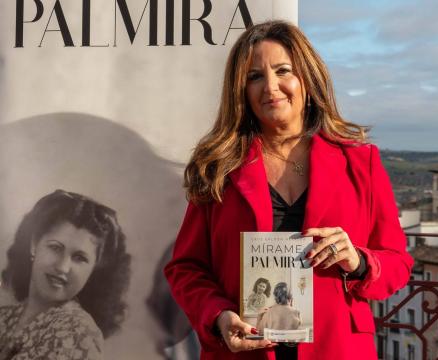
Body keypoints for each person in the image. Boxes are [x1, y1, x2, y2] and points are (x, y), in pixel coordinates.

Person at [164, 20, 413, 360]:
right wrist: (218, 316)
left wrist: (357, 260)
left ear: (307, 79)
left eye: (283, 71)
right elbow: (185, 268)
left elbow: (397, 263)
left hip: (337, 348)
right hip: (243, 352)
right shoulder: (218, 165)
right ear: (240, 90)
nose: (270, 87)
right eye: (254, 76)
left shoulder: (360, 161)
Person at [0, 189, 131, 359]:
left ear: (94, 269)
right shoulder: (5, 316)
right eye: (55, 248)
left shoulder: (77, 334)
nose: (62, 267)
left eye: (79, 258)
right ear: (34, 244)